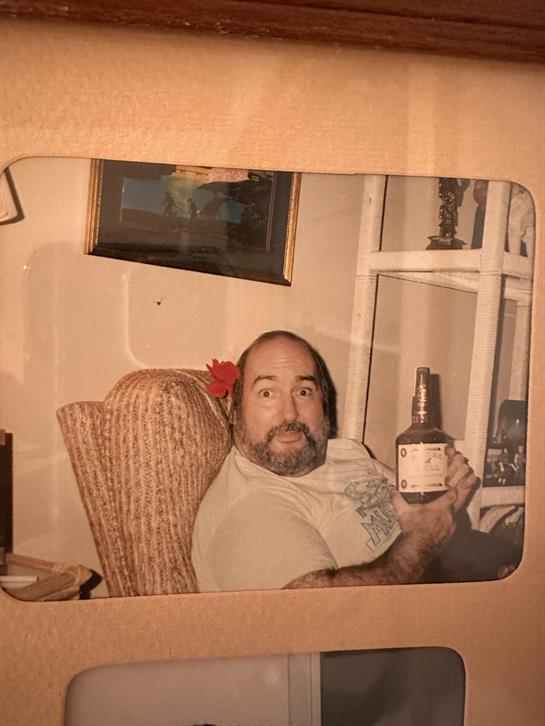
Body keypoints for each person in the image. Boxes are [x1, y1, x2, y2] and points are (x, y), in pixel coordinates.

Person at [191, 330, 517, 592]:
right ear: (234, 410)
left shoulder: (345, 451)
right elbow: (318, 616)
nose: (289, 414)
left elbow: (417, 516)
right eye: (267, 393)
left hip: (464, 567)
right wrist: (425, 537)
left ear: (324, 403)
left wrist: (443, 498)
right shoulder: (250, 510)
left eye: (303, 391)